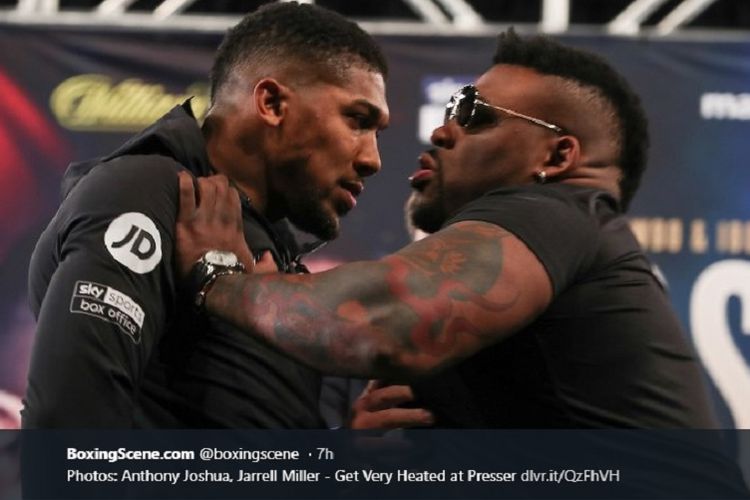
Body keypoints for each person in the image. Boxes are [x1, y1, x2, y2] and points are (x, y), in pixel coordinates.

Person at [175, 29, 720, 429]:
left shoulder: (557, 211)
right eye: (452, 107)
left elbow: (381, 324)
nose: (441, 130)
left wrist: (219, 278)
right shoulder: (562, 264)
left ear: (557, 156)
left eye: (474, 113)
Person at [23, 2, 430, 428]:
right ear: (272, 103)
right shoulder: (151, 194)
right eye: (358, 120)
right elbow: (66, 427)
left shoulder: (272, 252)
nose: (372, 160)